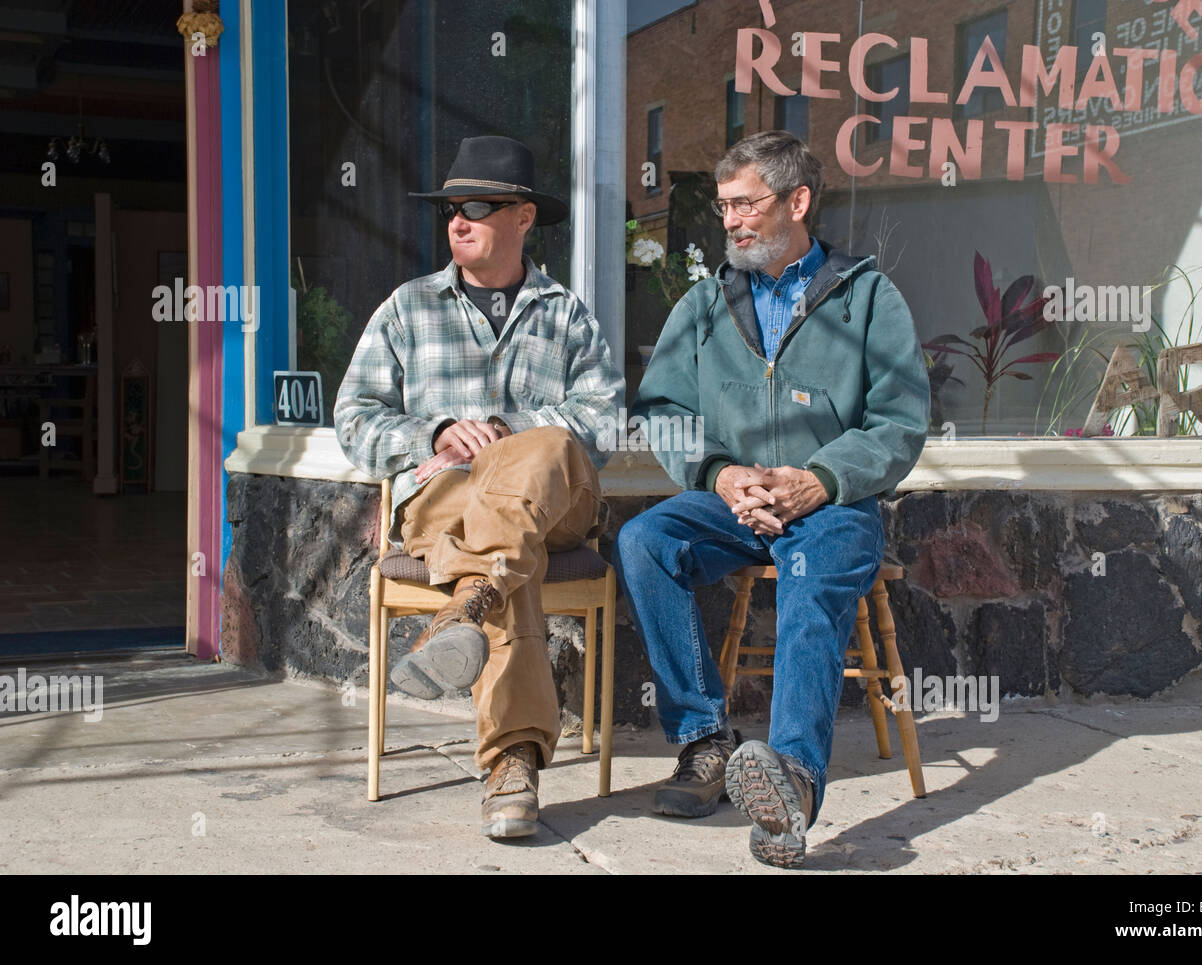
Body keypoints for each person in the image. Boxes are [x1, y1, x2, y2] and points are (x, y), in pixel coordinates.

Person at [614, 130, 930, 868]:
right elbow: (663, 408)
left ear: (798, 201)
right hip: (732, 501)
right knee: (645, 541)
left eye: (745, 204)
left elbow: (901, 421)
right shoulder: (702, 305)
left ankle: (790, 784)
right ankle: (703, 744)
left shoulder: (869, 297)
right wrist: (720, 474)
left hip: (831, 508)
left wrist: (818, 478)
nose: (730, 221)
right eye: (723, 206)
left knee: (810, 579)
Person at [335, 135, 624, 840]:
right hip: (444, 500)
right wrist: (432, 432)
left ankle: (467, 622)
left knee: (547, 448)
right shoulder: (407, 309)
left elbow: (604, 425)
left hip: (554, 506)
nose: (456, 221)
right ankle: (511, 761)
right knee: (505, 557)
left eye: (475, 206)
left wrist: (505, 429)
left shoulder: (568, 315)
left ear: (523, 216)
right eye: (449, 209)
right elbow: (352, 417)